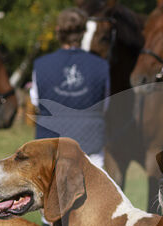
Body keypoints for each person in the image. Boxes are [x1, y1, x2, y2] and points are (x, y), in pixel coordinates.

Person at [30, 7, 109, 168]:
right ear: (84, 32)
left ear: (58, 30)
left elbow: (36, 101)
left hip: (50, 148)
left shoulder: (41, 64)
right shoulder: (101, 65)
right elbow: (106, 105)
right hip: (90, 149)